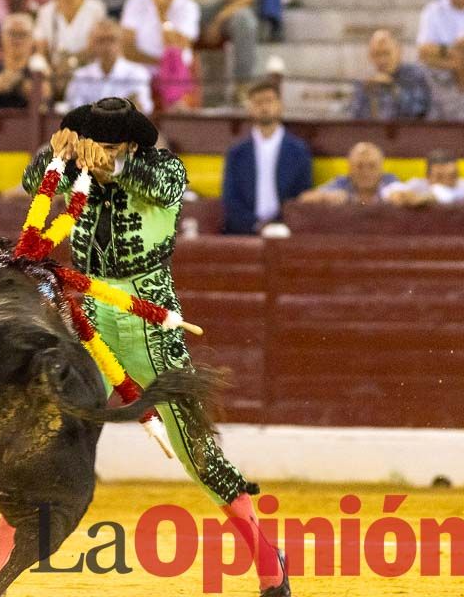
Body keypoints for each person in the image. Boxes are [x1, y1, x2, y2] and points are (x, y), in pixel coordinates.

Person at [17, 98, 291, 597]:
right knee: (49, 434)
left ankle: (268, 560)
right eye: (92, 139)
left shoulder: (163, 168)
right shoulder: (76, 165)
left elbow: (156, 185)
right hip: (91, 312)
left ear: (131, 143)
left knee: (195, 450)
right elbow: (32, 182)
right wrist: (56, 154)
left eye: (110, 143)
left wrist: (111, 166)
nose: (99, 150)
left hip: (151, 317)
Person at [222, 79, 312, 233]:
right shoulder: (236, 153)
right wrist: (256, 225)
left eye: (269, 101)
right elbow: (230, 200)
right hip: (244, 233)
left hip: (286, 231)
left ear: (280, 105)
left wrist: (277, 225)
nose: (264, 107)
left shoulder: (299, 151)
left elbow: (302, 198)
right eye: (258, 102)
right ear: (250, 108)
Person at [119, 0, 201, 108]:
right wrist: (158, 63)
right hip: (141, 67)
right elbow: (128, 47)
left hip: (175, 70)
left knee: (173, 56)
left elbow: (179, 45)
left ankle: (176, 107)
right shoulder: (135, 2)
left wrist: (162, 14)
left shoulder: (188, 6)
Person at [34, 0, 109, 91]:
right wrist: (51, 70)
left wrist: (71, 61)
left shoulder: (96, 8)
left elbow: (98, 46)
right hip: (56, 76)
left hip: (88, 73)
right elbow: (41, 49)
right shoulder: (46, 11)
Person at [64, 18, 153, 113]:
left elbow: (144, 109)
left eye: (111, 39)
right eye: (101, 40)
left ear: (121, 42)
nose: (107, 45)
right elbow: (74, 111)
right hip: (89, 126)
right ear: (92, 44)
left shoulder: (137, 73)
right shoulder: (80, 76)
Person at [350, 28, 431, 120]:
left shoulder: (415, 75)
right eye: (377, 54)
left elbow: (418, 111)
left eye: (386, 53)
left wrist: (392, 87)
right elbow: (356, 118)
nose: (382, 60)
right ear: (370, 56)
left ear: (399, 51)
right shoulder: (364, 81)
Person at [0, 13, 45, 109]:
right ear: (2, 37)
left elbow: (46, 95)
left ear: (32, 39)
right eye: (12, 33)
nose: (17, 40)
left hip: (31, 122)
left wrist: (17, 82)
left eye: (23, 34)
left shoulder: (41, 68)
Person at [299, 141, 399, 205]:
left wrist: (405, 198)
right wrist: (326, 197)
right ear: (350, 169)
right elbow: (304, 199)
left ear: (381, 168)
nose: (365, 172)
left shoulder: (389, 181)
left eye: (372, 166)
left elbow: (410, 194)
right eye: (359, 166)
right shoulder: (342, 182)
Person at [384, 149, 464, 207]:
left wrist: (424, 199)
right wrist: (397, 195)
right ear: (427, 177)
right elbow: (391, 192)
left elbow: (446, 195)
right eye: (439, 177)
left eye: (452, 176)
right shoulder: (417, 185)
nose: (446, 182)